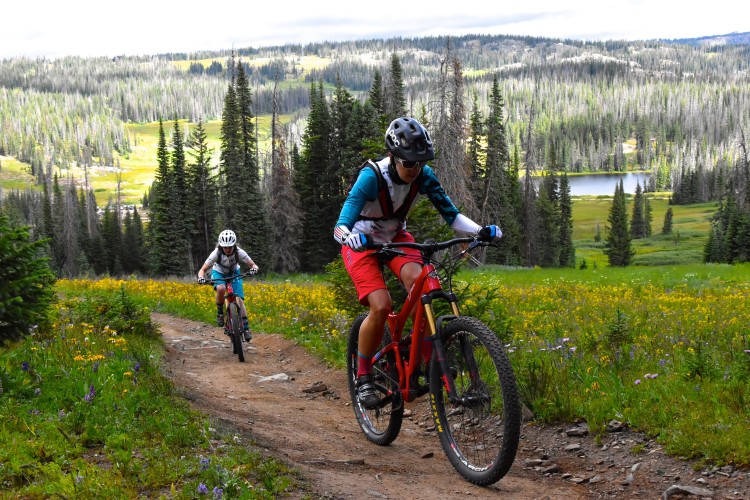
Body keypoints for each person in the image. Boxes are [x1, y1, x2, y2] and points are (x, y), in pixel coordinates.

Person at [333, 116, 502, 409]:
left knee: (422, 284)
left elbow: (451, 215)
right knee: (382, 305)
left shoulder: (424, 176)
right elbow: (341, 224)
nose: (415, 169)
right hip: (361, 240)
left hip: (396, 236)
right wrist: (350, 237)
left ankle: (428, 362)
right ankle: (363, 378)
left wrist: (479, 230)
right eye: (409, 163)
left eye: (420, 163)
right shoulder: (372, 176)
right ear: (393, 156)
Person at [198, 229, 259, 342]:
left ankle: (246, 329)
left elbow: (253, 265)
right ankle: (220, 313)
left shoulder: (239, 252)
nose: (227, 249)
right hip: (219, 272)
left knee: (239, 299)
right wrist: (201, 277)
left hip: (234, 272)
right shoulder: (216, 253)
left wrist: (254, 269)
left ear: (234, 245)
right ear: (221, 246)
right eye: (225, 247)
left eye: (230, 247)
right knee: (221, 288)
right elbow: (203, 269)